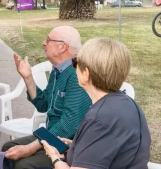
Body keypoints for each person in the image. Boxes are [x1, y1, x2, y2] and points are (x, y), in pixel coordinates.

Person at [42, 38, 151, 169]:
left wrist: (55, 157)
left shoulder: (99, 118)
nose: (74, 67)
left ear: (86, 74)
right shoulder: (126, 103)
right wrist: (76, 146)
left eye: (75, 63)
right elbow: (111, 146)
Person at [2, 26, 92, 168]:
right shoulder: (58, 69)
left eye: (48, 40)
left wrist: (30, 148)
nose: (44, 42)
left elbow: (69, 125)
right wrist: (28, 78)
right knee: (9, 148)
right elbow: (43, 105)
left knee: (23, 164)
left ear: (62, 47)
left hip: (70, 143)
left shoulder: (76, 74)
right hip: (52, 135)